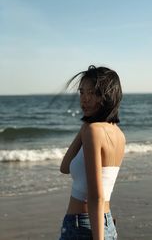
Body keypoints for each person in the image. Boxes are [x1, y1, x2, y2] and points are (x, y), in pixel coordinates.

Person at [59, 65, 125, 240]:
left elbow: (96, 196)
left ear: (107, 96)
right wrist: (84, 128)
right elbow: (64, 167)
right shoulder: (118, 134)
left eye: (92, 93)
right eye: (82, 92)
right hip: (106, 223)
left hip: (82, 226)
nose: (85, 99)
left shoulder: (94, 131)